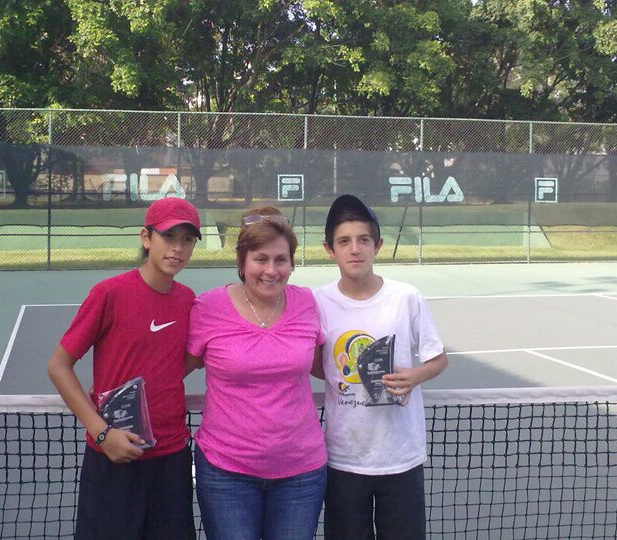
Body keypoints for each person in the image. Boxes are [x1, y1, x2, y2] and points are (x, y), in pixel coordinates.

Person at [47, 197, 201, 540]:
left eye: (187, 240)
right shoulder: (108, 294)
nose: (177, 248)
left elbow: (182, 362)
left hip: (171, 459)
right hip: (113, 458)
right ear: (146, 238)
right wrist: (103, 434)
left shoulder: (188, 299)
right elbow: (59, 366)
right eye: (168, 236)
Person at [185, 206, 327, 540]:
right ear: (243, 262)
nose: (271, 270)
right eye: (261, 259)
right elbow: (172, 370)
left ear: (291, 263)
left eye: (281, 259)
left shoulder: (307, 303)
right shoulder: (208, 308)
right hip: (225, 473)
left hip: (301, 473)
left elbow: (326, 368)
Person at [313, 194, 448, 540]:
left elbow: (437, 359)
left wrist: (414, 376)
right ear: (330, 249)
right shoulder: (317, 302)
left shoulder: (407, 297)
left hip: (401, 456)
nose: (354, 249)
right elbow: (318, 364)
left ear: (379, 245)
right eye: (344, 241)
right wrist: (345, 374)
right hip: (343, 458)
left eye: (363, 240)